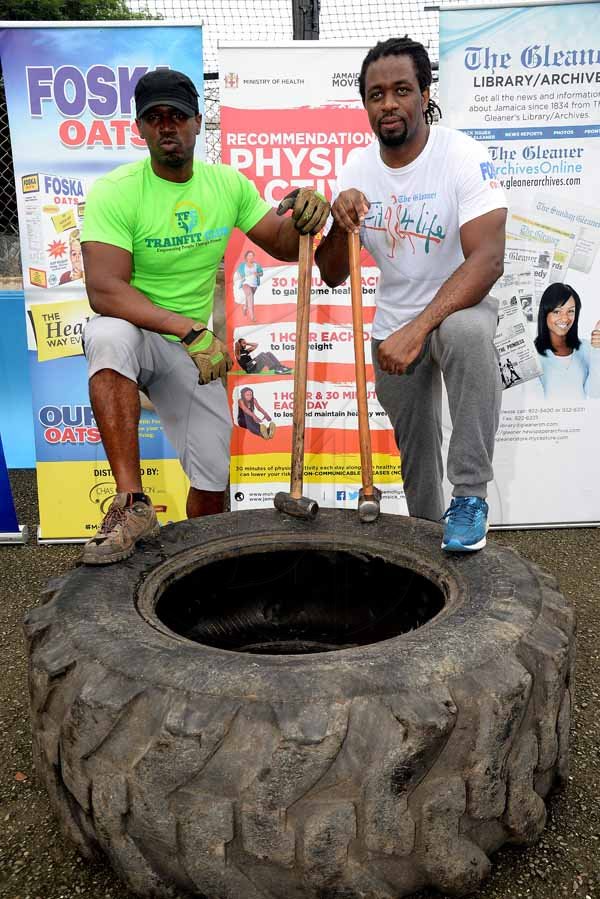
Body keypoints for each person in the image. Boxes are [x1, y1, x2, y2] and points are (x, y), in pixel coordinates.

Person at [80, 69, 329, 564]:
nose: (166, 127)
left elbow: (280, 244)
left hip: (186, 352)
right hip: (147, 332)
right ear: (140, 129)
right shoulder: (117, 191)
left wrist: (306, 213)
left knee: (215, 474)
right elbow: (104, 289)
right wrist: (189, 329)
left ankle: (200, 560)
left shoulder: (226, 185)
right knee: (106, 335)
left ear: (198, 124)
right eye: (155, 118)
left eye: (177, 116)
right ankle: (131, 505)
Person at [315, 37, 507, 552]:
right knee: (416, 451)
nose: (389, 104)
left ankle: (469, 496)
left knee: (466, 332)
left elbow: (487, 261)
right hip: (393, 324)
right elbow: (333, 274)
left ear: (425, 93)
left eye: (402, 90)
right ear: (365, 105)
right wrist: (340, 220)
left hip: (455, 310)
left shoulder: (462, 156)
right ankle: (432, 533)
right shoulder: (357, 170)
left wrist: (418, 330)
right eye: (376, 95)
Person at [534, 282, 600, 401]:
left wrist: (597, 351)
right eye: (557, 311)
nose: (565, 318)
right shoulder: (532, 353)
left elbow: (594, 392)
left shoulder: (585, 348)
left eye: (571, 311)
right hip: (547, 419)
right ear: (545, 313)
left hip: (580, 418)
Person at [236, 250, 263, 320]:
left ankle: (245, 307)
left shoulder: (257, 265)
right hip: (245, 284)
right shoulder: (242, 265)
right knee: (250, 298)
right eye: (249, 255)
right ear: (246, 257)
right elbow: (238, 271)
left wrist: (257, 274)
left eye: (252, 256)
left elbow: (261, 273)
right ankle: (252, 317)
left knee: (248, 298)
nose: (251, 257)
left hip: (254, 285)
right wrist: (241, 277)